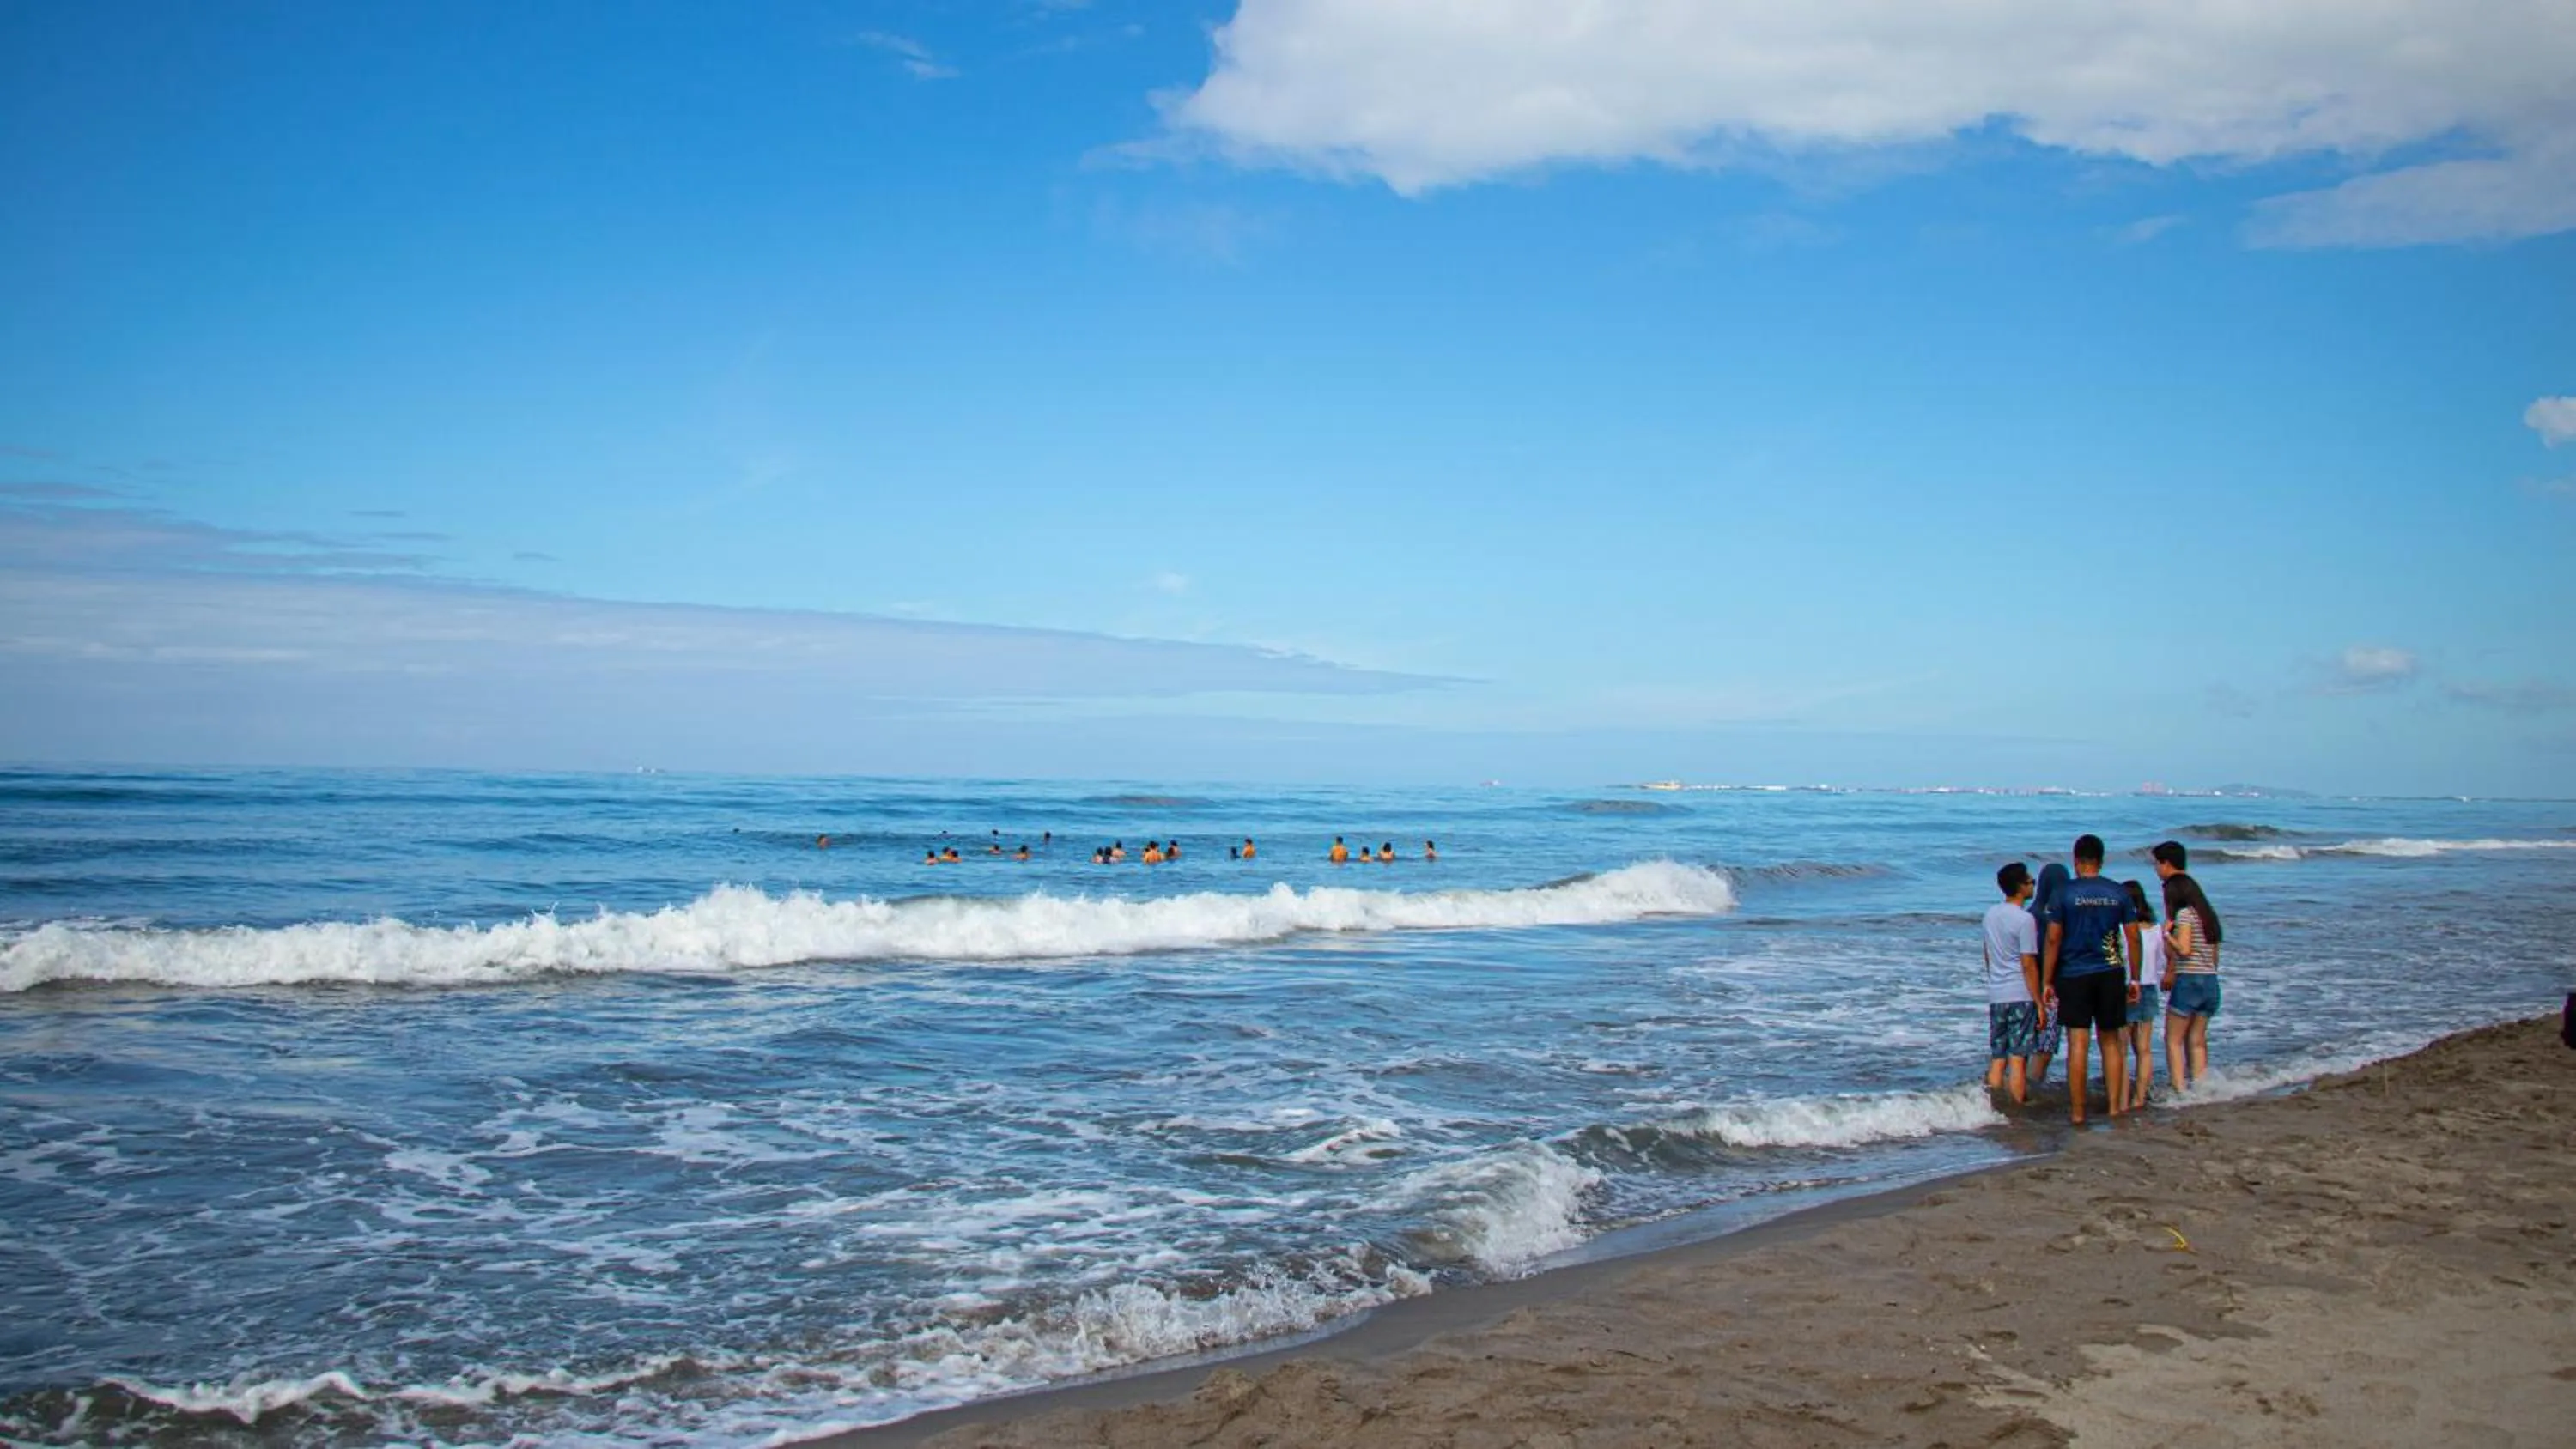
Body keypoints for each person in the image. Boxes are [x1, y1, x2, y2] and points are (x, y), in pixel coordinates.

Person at [2038, 834, 2141, 1124]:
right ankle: (2115, 1109)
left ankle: (2078, 1113)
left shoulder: (2064, 893)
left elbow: (2054, 937)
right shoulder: (2118, 892)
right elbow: (2132, 936)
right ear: (2101, 860)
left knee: (2078, 1043)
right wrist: (2135, 978)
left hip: (2073, 974)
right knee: (2111, 1042)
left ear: (2076, 860)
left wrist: (2047, 980)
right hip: (2110, 971)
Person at [2152, 840, 2225, 1093]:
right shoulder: (2207, 917)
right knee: (2197, 1040)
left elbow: (2184, 949)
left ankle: (2179, 1089)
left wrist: (2166, 935)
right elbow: (2214, 955)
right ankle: (2202, 1087)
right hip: (2210, 981)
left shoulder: (2183, 916)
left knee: (2172, 1039)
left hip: (2190, 980)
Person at [1981, 861, 2043, 1104]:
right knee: (2018, 1058)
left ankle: (1992, 1106)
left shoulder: (1990, 915)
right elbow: (2028, 963)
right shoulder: (2025, 919)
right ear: (2020, 887)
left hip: (1997, 993)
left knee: (1998, 1056)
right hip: (2020, 993)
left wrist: (1994, 978)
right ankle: (2017, 1111)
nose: (2033, 885)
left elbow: (1988, 953)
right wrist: (2038, 1001)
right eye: (2030, 882)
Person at [2028, 862, 2071, 1087]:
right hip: (2052, 988)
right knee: (2045, 1047)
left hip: (2026, 987)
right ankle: (2034, 1086)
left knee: (2025, 1044)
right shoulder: (2062, 915)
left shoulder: (2031, 914)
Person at [2122, 880, 2164, 1110]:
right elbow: (2160, 962)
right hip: (2148, 986)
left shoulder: (2121, 929)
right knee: (2144, 1048)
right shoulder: (2155, 928)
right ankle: (2140, 1096)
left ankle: (2122, 1097)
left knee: (2122, 1047)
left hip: (2127, 987)